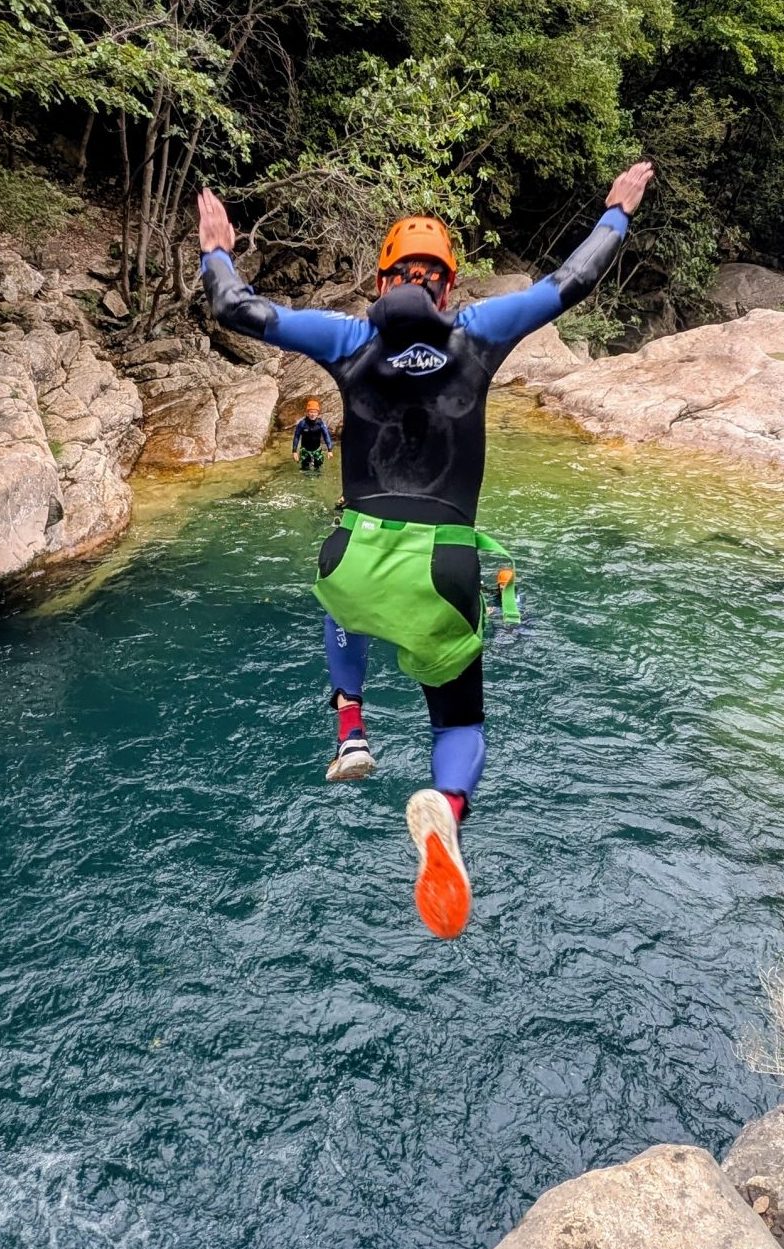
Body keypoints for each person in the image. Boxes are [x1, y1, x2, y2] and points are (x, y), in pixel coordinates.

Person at [197, 161, 654, 939]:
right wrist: (616, 214)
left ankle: (350, 729)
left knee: (338, 596)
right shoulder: (478, 333)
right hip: (443, 569)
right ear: (447, 286)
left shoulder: (347, 337)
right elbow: (569, 283)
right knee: (458, 725)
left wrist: (217, 249)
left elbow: (237, 309)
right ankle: (448, 808)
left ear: (381, 283)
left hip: (354, 554)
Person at [292, 398, 335, 472]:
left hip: (317, 450)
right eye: (311, 412)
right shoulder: (302, 424)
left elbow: (326, 436)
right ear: (307, 412)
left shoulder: (320, 423)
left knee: (318, 469)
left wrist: (330, 450)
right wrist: (294, 451)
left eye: (315, 412)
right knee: (304, 469)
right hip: (305, 450)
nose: (313, 414)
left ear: (318, 413)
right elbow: (296, 436)